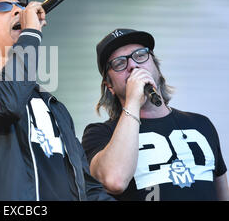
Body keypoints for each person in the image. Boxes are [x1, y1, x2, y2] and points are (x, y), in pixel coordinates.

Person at [0, 0, 113, 201]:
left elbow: (86, 186)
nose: (18, 10)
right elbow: (6, 104)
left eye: (21, 6)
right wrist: (31, 33)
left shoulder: (54, 107)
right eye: (4, 7)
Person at [81, 28, 229, 201]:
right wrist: (133, 101)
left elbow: (222, 193)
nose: (133, 65)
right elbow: (114, 180)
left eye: (140, 55)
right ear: (110, 86)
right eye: (119, 63)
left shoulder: (201, 124)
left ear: (156, 67)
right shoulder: (100, 134)